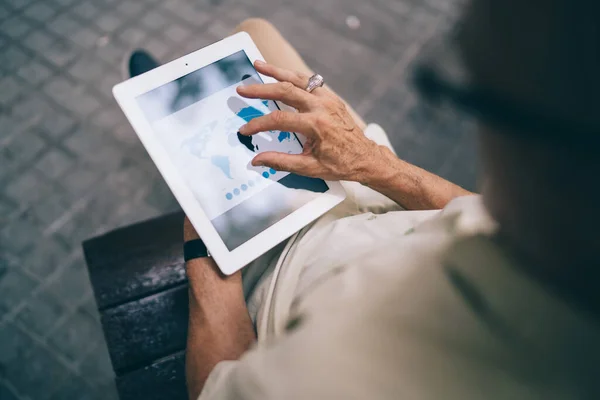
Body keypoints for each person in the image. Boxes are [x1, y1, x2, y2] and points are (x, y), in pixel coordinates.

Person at [128, 0, 600, 398]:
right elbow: (468, 205)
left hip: (279, 258)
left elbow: (216, 387)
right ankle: (181, 97)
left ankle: (173, 114)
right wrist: (372, 162)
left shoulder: (332, 374)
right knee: (255, 34)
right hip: (369, 192)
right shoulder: (552, 235)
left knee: (239, 79)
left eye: (462, 87)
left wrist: (206, 250)